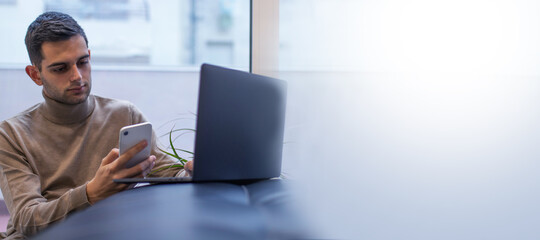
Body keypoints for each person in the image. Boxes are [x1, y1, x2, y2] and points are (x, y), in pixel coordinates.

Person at [0, 11, 192, 239]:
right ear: (35, 75)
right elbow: (27, 221)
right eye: (60, 69)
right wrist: (90, 194)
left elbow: (172, 174)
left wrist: (193, 172)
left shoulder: (124, 115)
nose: (77, 76)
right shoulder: (11, 134)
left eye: (83, 62)